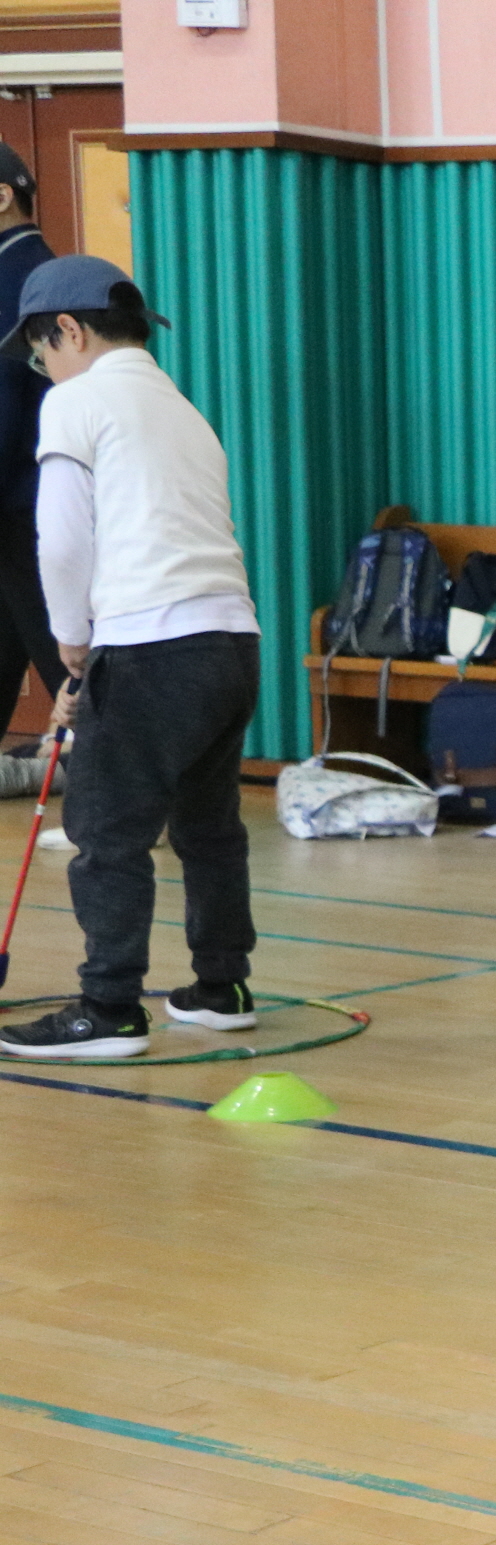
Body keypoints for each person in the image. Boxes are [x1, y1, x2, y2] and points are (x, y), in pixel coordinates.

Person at [0, 258, 263, 1061]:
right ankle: (221, 987)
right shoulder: (181, 407)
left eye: (40, 351)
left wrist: (72, 645)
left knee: (106, 831)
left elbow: (61, 538)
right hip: (232, 641)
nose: (43, 368)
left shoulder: (76, 400)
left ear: (69, 330)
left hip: (151, 643)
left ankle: (109, 1007)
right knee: (208, 827)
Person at [0, 146, 57, 798]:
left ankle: (122, 809)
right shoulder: (36, 269)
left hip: (22, 504)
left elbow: (4, 402)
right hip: (24, 502)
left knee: (63, 656)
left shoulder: (16, 274)